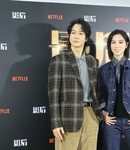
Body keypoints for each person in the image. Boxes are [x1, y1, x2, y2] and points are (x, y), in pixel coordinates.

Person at [48, 18, 100, 150]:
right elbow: (53, 95)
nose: (76, 36)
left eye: (81, 33)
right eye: (73, 33)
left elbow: (96, 90)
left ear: (86, 37)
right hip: (68, 117)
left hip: (91, 116)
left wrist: (98, 115)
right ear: (69, 35)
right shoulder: (58, 60)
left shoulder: (93, 61)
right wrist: (56, 123)